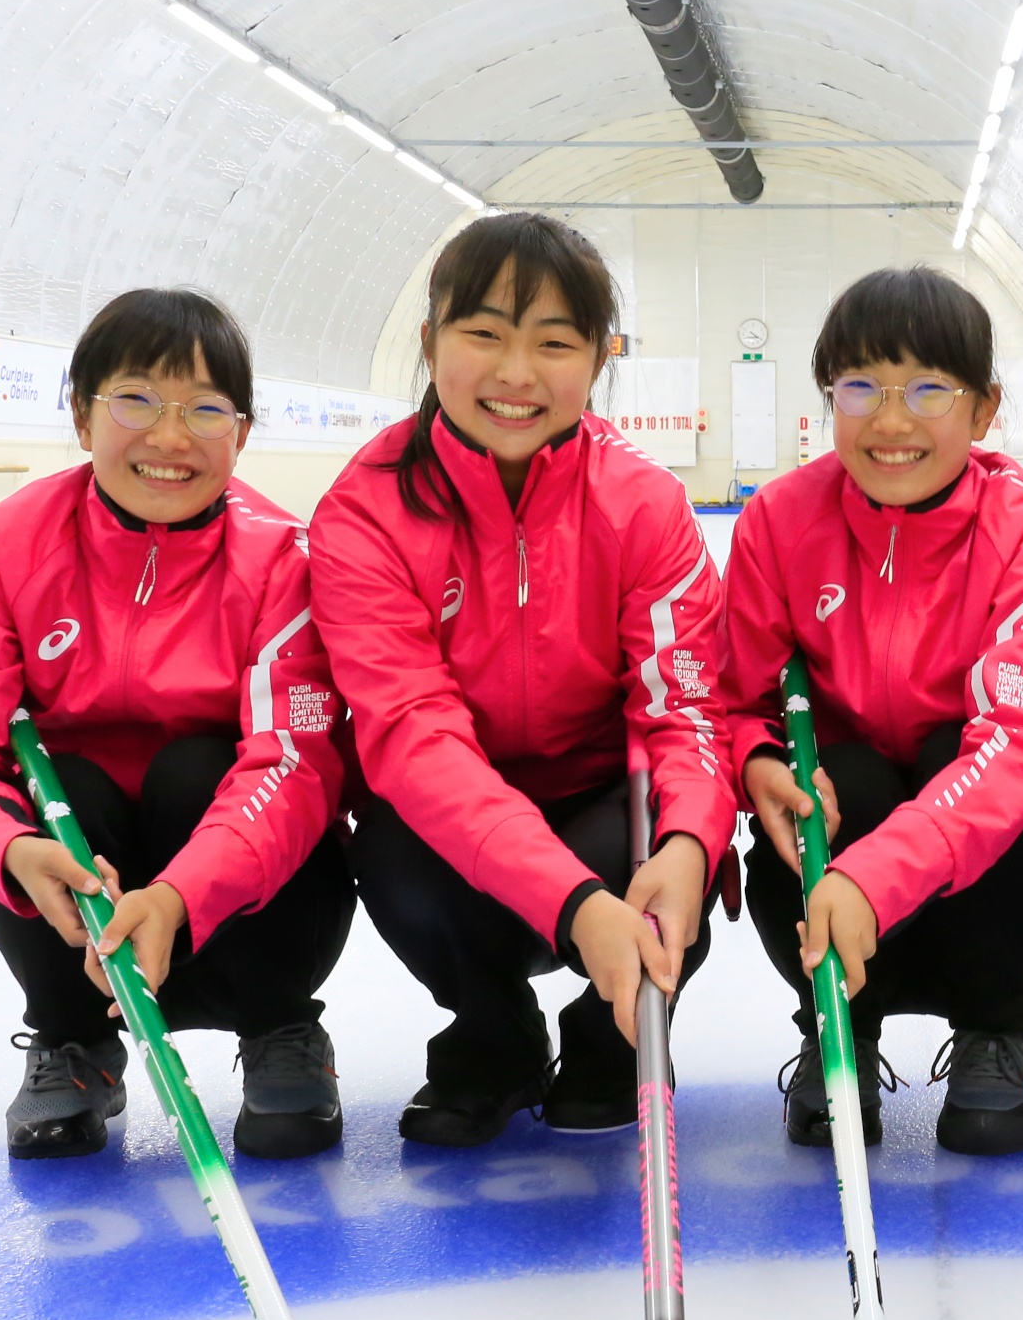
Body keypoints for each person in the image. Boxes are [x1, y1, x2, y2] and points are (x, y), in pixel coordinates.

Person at [306, 214, 731, 1147]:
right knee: (395, 850)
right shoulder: (366, 510)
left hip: (596, 798)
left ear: (599, 357)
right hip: (454, 806)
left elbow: (686, 708)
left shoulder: (643, 501)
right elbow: (413, 737)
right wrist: (572, 905)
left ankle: (612, 1038)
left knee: (668, 834)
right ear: (430, 344)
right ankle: (493, 1042)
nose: (516, 373)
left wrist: (691, 844)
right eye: (484, 334)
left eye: (553, 343)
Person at [0, 288, 354, 1161]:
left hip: (232, 894)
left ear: (241, 433)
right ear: (82, 416)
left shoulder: (283, 560)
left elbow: (295, 764)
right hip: (88, 888)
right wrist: (10, 851)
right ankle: (73, 1038)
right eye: (137, 401)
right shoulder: (2, 548)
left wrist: (181, 896)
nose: (170, 437)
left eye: (205, 409)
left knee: (200, 771)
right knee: (51, 797)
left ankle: (278, 1025)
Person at [722, 267, 1023, 1157]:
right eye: (861, 387)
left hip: (969, 873)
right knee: (831, 779)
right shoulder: (777, 520)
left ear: (984, 408)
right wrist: (757, 762)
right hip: (850, 842)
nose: (891, 422)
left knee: (973, 769)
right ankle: (838, 1027)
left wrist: (872, 879)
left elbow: (1019, 742)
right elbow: (738, 701)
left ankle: (993, 1028)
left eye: (928, 389)